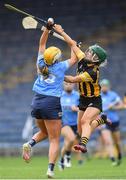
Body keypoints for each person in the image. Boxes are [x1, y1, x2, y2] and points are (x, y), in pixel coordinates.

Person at [22, 23, 79, 178]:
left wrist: (47, 29)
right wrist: (71, 42)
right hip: (51, 103)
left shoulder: (40, 62)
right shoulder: (60, 67)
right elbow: (75, 57)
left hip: (37, 102)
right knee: (55, 139)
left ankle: (29, 144)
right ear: (56, 59)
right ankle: (50, 169)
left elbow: (42, 43)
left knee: (44, 132)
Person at [53, 25, 111, 154]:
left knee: (85, 121)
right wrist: (61, 31)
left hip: (94, 100)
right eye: (89, 51)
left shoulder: (93, 72)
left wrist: (55, 73)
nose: (88, 52)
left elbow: (73, 80)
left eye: (91, 53)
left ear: (96, 59)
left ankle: (83, 145)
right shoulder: (83, 59)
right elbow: (73, 44)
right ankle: (102, 120)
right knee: (81, 130)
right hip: (83, 99)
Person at [99, 79, 124, 166]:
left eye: (106, 86)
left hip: (114, 121)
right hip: (104, 122)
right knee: (108, 141)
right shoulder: (98, 96)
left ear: (109, 86)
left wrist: (113, 107)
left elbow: (122, 106)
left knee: (117, 142)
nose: (104, 87)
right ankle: (112, 158)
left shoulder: (114, 95)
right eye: (103, 86)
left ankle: (119, 154)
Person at [59, 82, 83, 170]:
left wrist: (76, 109)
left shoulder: (78, 95)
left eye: (70, 83)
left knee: (67, 143)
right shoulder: (59, 95)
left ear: (73, 85)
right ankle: (68, 157)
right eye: (66, 84)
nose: (68, 85)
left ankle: (61, 159)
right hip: (63, 123)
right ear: (63, 85)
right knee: (72, 139)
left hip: (75, 123)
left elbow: (83, 108)